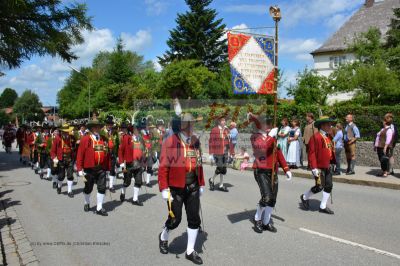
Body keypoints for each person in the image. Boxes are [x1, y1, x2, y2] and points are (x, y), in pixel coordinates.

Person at [158, 113, 205, 264]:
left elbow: (199, 163)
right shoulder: (170, 142)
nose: (192, 127)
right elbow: (163, 166)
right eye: (189, 124)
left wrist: (201, 183)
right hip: (175, 187)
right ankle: (163, 236)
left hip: (193, 186)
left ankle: (190, 251)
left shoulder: (196, 141)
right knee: (175, 219)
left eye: (192, 124)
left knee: (194, 219)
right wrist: (164, 188)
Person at [250, 114, 292, 233]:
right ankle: (257, 218)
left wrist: (286, 169)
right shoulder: (255, 137)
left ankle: (266, 221)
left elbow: (278, 153)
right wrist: (270, 137)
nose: (269, 125)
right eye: (266, 123)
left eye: (270, 123)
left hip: (273, 171)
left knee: (273, 199)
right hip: (261, 171)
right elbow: (261, 149)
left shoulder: (273, 138)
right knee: (267, 197)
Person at [300, 116, 336, 215]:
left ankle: (323, 206)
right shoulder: (315, 137)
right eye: (328, 124)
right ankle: (304, 197)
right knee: (319, 186)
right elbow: (311, 153)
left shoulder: (328, 137)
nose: (330, 126)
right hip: (319, 166)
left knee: (329, 186)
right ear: (323, 126)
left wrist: (333, 162)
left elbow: (330, 151)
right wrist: (314, 167)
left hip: (328, 165)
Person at [76, 120, 110, 216]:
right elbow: (80, 154)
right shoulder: (85, 139)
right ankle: (86, 202)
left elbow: (106, 153)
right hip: (89, 168)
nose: (96, 129)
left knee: (102, 188)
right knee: (88, 188)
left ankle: (99, 208)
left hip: (101, 168)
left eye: (98, 127)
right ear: (91, 128)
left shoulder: (103, 139)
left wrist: (107, 166)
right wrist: (79, 168)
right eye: (94, 127)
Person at [118, 122, 146, 206]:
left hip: (138, 163)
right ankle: (123, 192)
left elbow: (144, 150)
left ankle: (135, 199)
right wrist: (121, 163)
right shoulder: (127, 138)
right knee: (127, 182)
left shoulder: (141, 139)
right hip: (129, 163)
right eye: (135, 129)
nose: (137, 131)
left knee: (138, 182)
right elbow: (121, 151)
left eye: (138, 129)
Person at [51, 124, 75, 197]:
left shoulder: (72, 138)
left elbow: (75, 147)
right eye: (64, 132)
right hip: (61, 159)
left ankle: (69, 191)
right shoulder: (57, 139)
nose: (66, 133)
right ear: (61, 132)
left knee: (70, 175)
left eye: (67, 132)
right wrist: (54, 158)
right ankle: (59, 186)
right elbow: (53, 151)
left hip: (70, 159)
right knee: (61, 176)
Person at [208, 116, 230, 192]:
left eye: (225, 120)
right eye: (223, 120)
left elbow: (228, 141)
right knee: (220, 168)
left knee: (223, 169)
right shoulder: (214, 130)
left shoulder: (226, 130)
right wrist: (210, 154)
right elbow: (211, 142)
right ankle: (211, 179)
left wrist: (231, 152)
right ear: (219, 122)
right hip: (217, 152)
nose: (224, 122)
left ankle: (220, 185)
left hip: (225, 152)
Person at [102, 116, 119, 193]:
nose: (110, 125)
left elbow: (118, 143)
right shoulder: (101, 132)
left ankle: (111, 186)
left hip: (113, 153)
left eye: (111, 124)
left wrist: (117, 154)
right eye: (108, 124)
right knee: (104, 170)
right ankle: (103, 184)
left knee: (112, 170)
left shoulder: (115, 132)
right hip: (104, 153)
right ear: (106, 124)